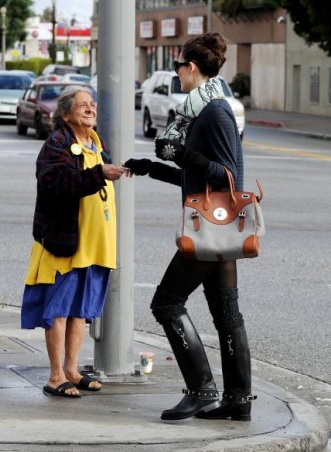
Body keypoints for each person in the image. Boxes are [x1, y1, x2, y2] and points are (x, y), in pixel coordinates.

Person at [124, 32, 256, 421]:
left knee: (166, 302)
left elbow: (225, 175)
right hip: (221, 227)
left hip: (210, 230)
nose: (176, 72)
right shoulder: (208, 108)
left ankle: (201, 391)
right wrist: (153, 168)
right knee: (227, 315)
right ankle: (238, 402)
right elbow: (201, 181)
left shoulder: (213, 112)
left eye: (178, 65)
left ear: (191, 68)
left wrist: (182, 153)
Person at [21, 85, 125, 398]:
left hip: (96, 243)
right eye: (83, 105)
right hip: (65, 242)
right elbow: (57, 182)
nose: (91, 109)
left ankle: (72, 370)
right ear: (66, 114)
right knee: (60, 310)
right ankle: (55, 376)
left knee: (81, 310)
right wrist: (100, 173)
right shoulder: (57, 143)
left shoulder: (95, 141)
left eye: (92, 104)